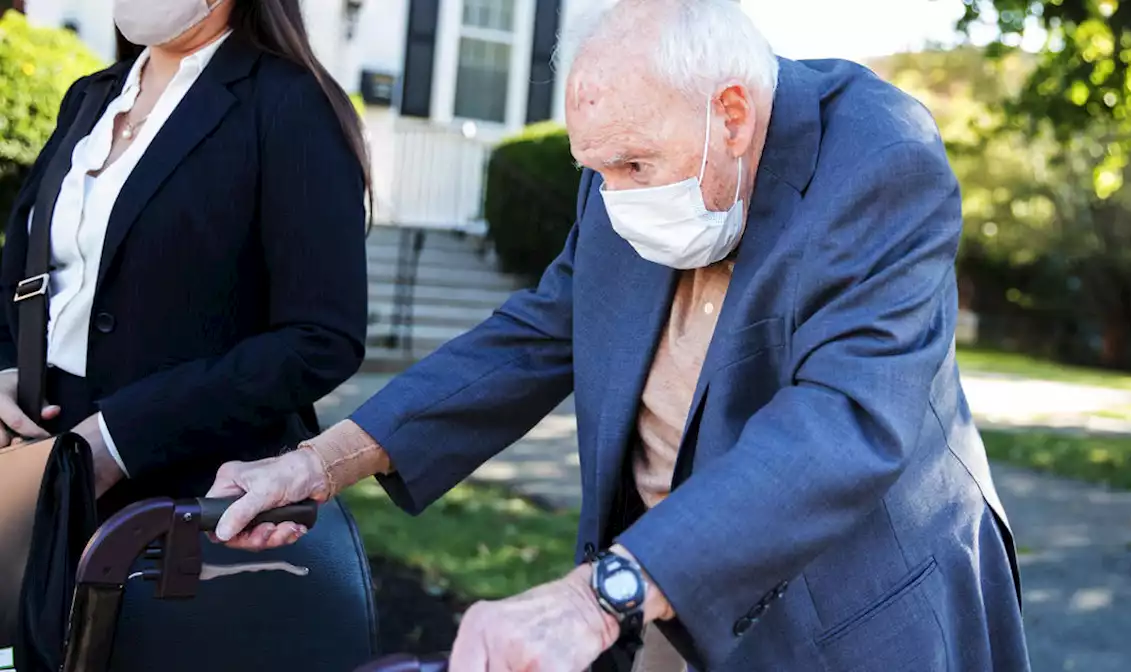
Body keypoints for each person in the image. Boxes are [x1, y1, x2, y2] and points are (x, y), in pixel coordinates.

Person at [208, 1, 1030, 670]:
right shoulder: (621, 164)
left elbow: (842, 422)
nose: (613, 195)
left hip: (850, 606)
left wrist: (592, 597)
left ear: (732, 116)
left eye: (634, 167)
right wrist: (319, 461)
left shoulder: (882, 162)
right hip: (663, 584)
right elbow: (537, 335)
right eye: (594, 171)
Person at [0, 0, 368, 516]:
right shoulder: (92, 96)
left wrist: (121, 439)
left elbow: (322, 339)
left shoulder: (291, 105)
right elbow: (24, 270)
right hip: (34, 466)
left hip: (185, 499)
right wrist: (8, 371)